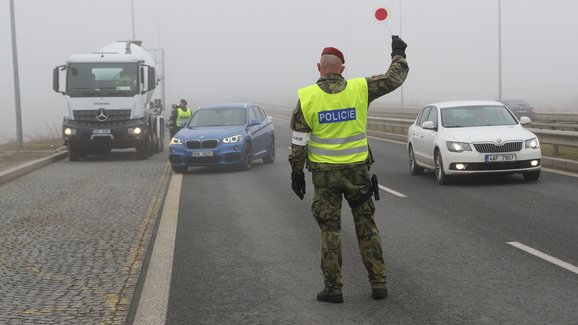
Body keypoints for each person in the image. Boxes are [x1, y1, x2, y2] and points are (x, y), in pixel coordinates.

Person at [288, 36, 409, 303]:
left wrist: (297, 174)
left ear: (318, 67)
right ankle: (378, 284)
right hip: (357, 174)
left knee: (330, 231)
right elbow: (394, 78)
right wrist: (397, 52)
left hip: (325, 177)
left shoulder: (306, 98)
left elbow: (299, 143)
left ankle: (333, 289)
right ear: (343, 69)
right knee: (367, 228)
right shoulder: (360, 88)